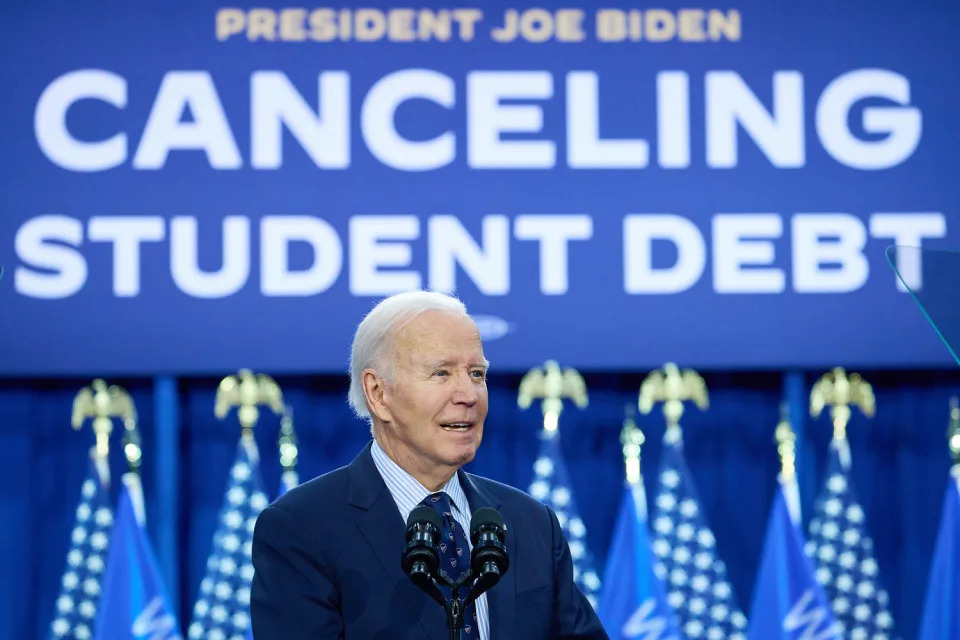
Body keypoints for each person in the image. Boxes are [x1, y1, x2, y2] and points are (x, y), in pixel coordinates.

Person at [250, 290, 609, 639]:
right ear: (379, 394)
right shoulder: (301, 530)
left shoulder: (531, 525)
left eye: (476, 374)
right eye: (441, 373)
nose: (468, 395)